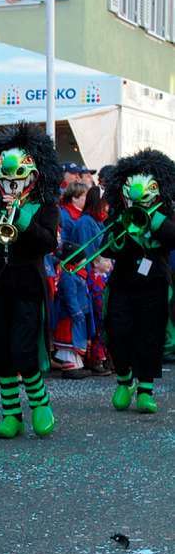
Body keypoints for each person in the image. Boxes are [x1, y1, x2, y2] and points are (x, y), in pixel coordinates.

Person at [0, 122, 61, 438]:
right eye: (5, 180)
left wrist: (21, 218)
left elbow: (47, 243)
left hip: (27, 285)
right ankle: (11, 414)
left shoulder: (45, 205)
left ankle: (40, 403)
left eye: (17, 179)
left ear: (32, 176)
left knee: (24, 350)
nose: (11, 185)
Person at [102, 149, 175, 414]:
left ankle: (146, 389)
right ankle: (123, 379)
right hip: (123, 281)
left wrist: (153, 218)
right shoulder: (119, 214)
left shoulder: (166, 213)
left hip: (154, 282)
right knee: (118, 331)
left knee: (150, 335)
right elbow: (106, 249)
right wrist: (121, 230)